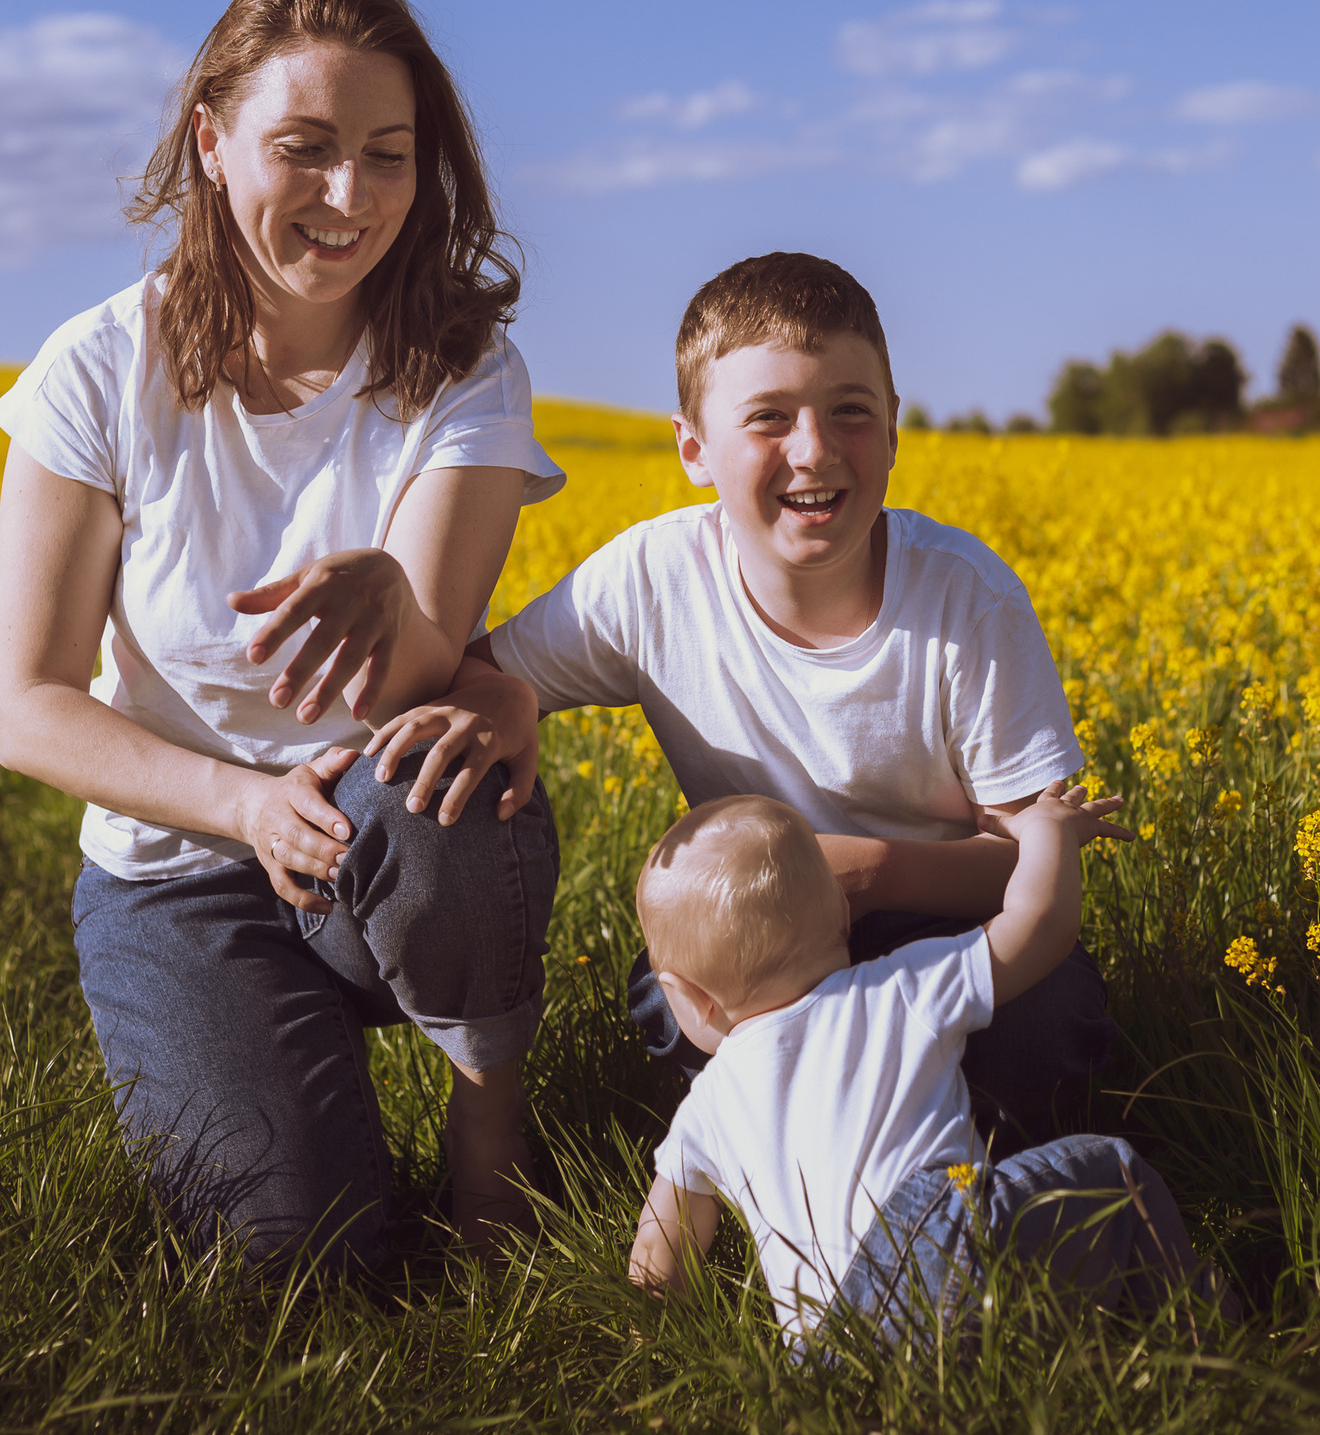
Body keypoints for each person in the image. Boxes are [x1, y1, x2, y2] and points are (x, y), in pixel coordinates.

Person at [0, 0, 561, 1272]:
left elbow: (423, 669)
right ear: (212, 141)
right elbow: (28, 706)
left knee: (440, 775)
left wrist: (399, 608)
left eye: (387, 155)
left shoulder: (464, 368)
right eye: (304, 148)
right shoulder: (97, 371)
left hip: (381, 834)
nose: (350, 195)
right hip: (179, 873)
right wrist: (243, 805)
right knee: (297, 1262)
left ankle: (490, 1119)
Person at [465, 252, 1115, 1139]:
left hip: (953, 929)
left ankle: (872, 1148)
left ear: (893, 429)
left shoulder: (967, 597)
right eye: (769, 417)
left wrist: (870, 871)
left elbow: (1028, 859)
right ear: (693, 449)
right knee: (668, 994)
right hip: (767, 936)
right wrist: (504, 697)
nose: (814, 449)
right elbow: (479, 676)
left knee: (1047, 1031)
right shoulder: (654, 579)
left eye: (851, 411)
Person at [623, 788, 1201, 1344]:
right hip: (937, 1253)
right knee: (1116, 1173)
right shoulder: (898, 988)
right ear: (844, 916)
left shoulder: (706, 1106)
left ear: (688, 997)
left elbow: (658, 1259)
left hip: (826, 1351)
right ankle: (1202, 1349)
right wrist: (1046, 830)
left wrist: (646, 1343)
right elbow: (1043, 925)